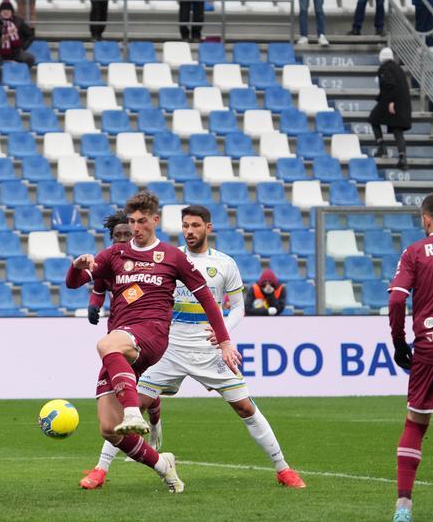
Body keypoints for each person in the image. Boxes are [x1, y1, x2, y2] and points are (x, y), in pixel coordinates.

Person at [80, 206, 306, 491]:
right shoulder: (166, 257)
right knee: (130, 406)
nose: (189, 231)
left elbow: (237, 308)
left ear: (207, 228)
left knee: (245, 407)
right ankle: (101, 469)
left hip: (207, 347)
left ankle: (283, 468)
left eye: (195, 226)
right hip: (168, 345)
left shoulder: (225, 264)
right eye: (185, 226)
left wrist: (224, 333)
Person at [65, 191, 242, 494]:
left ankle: (135, 412)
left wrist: (225, 341)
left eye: (142, 221)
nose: (136, 228)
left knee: (105, 344)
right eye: (132, 221)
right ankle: (164, 466)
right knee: (109, 429)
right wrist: (77, 265)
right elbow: (73, 283)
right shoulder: (115, 255)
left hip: (153, 334)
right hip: (123, 343)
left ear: (155, 220)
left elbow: (208, 300)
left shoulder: (173, 256)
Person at [388, 189, 433, 522]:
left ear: (426, 219)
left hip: (431, 344)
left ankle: (403, 506)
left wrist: (399, 343)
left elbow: (397, 300)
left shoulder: (415, 251)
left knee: (416, 424)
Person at [370, 47, 411, 171]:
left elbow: (389, 85)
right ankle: (402, 158)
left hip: (392, 101)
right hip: (403, 102)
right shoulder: (398, 68)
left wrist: (391, 102)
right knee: (397, 130)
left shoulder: (384, 68)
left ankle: (381, 145)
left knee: (373, 119)